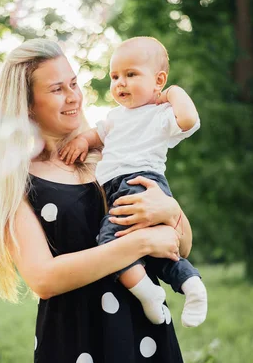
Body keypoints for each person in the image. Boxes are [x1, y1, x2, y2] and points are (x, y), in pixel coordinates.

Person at [0, 38, 206, 363]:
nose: (75, 96)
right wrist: (145, 240)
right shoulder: (17, 181)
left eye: (74, 83)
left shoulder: (109, 156)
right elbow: (45, 278)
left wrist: (168, 212)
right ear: (27, 105)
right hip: (76, 345)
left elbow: (180, 244)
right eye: (57, 89)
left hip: (145, 332)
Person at [60, 36, 207, 328]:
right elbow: (96, 135)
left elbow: (188, 119)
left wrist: (172, 93)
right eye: (115, 76)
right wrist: (80, 140)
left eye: (131, 75)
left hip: (140, 184)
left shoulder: (160, 114)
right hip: (116, 188)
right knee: (150, 251)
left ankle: (148, 294)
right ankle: (190, 284)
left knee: (110, 242)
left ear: (158, 80)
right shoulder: (116, 116)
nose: (120, 83)